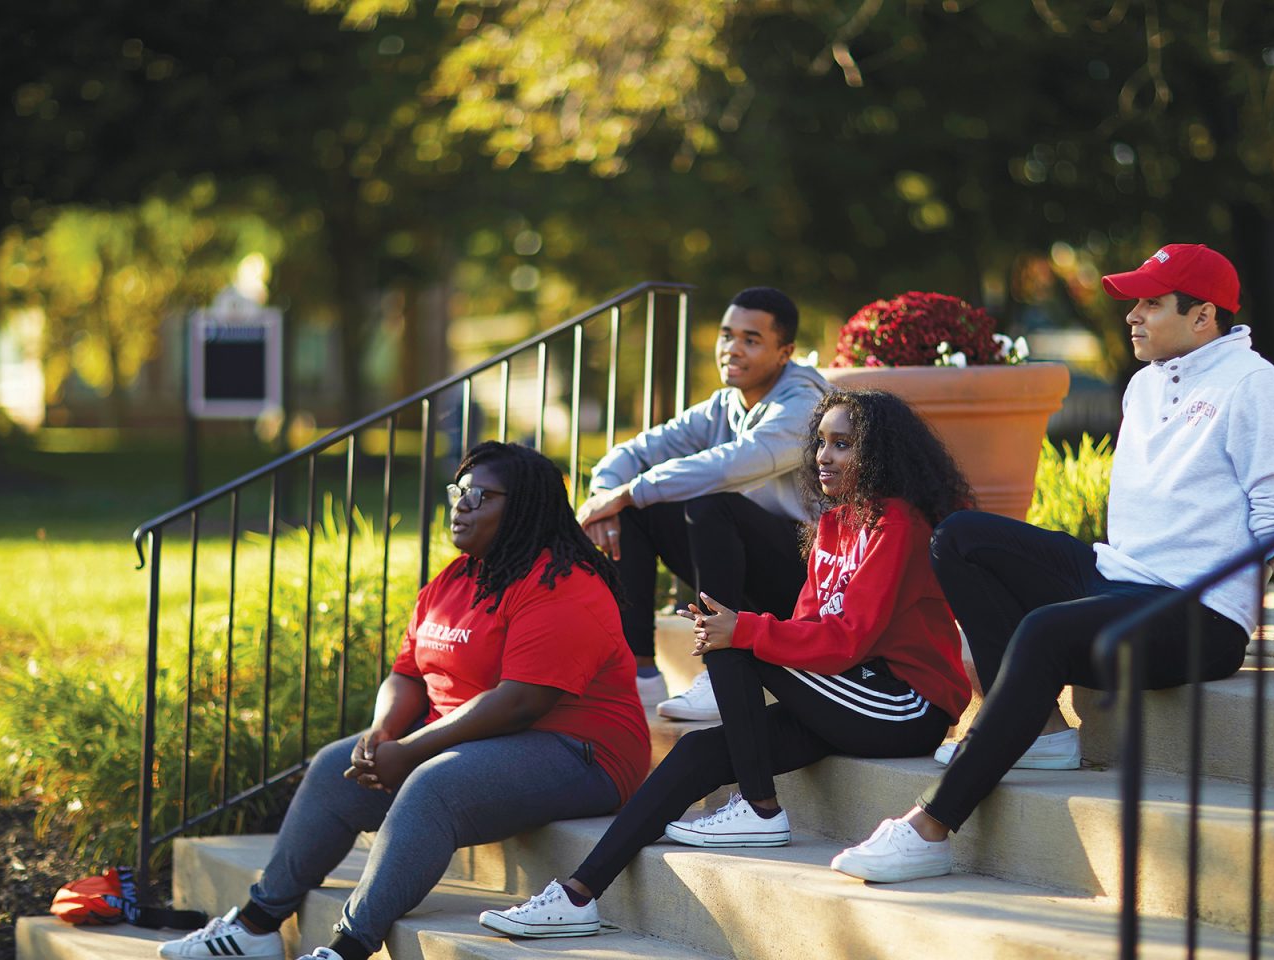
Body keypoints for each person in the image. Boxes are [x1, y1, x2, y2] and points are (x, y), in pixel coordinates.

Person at [830, 243, 1274, 885]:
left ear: (1203, 316)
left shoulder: (1259, 390)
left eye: (1151, 303)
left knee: (1045, 632)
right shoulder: (1146, 385)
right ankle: (1040, 730)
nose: (1132, 316)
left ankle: (930, 828)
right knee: (960, 537)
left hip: (1197, 614)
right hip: (1118, 574)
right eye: (1134, 302)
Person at [477, 389, 974, 938]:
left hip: (903, 703)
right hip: (847, 694)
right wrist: (743, 632)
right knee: (697, 749)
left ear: (880, 455)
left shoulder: (897, 524)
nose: (823, 457)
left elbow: (846, 641)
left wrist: (744, 631)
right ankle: (578, 894)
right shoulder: (833, 525)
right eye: (821, 444)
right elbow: (811, 625)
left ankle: (761, 809)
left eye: (843, 445)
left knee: (736, 639)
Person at [156, 442, 649, 960]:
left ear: (525, 505)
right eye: (459, 490)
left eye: (481, 495)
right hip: (477, 739)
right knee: (333, 767)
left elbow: (520, 703)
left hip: (579, 751)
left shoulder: (563, 582)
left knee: (434, 784)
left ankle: (347, 949)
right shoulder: (456, 578)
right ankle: (256, 927)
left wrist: (412, 750)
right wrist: (382, 732)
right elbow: (407, 672)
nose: (461, 504)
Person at [577, 286, 831, 721]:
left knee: (709, 503)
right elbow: (638, 450)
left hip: (806, 579)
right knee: (637, 510)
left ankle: (725, 675)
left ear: (784, 351)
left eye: (751, 340)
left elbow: (732, 464)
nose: (731, 349)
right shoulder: (723, 405)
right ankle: (639, 674)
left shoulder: (807, 405)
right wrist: (607, 496)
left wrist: (628, 491)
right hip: (746, 568)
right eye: (726, 335)